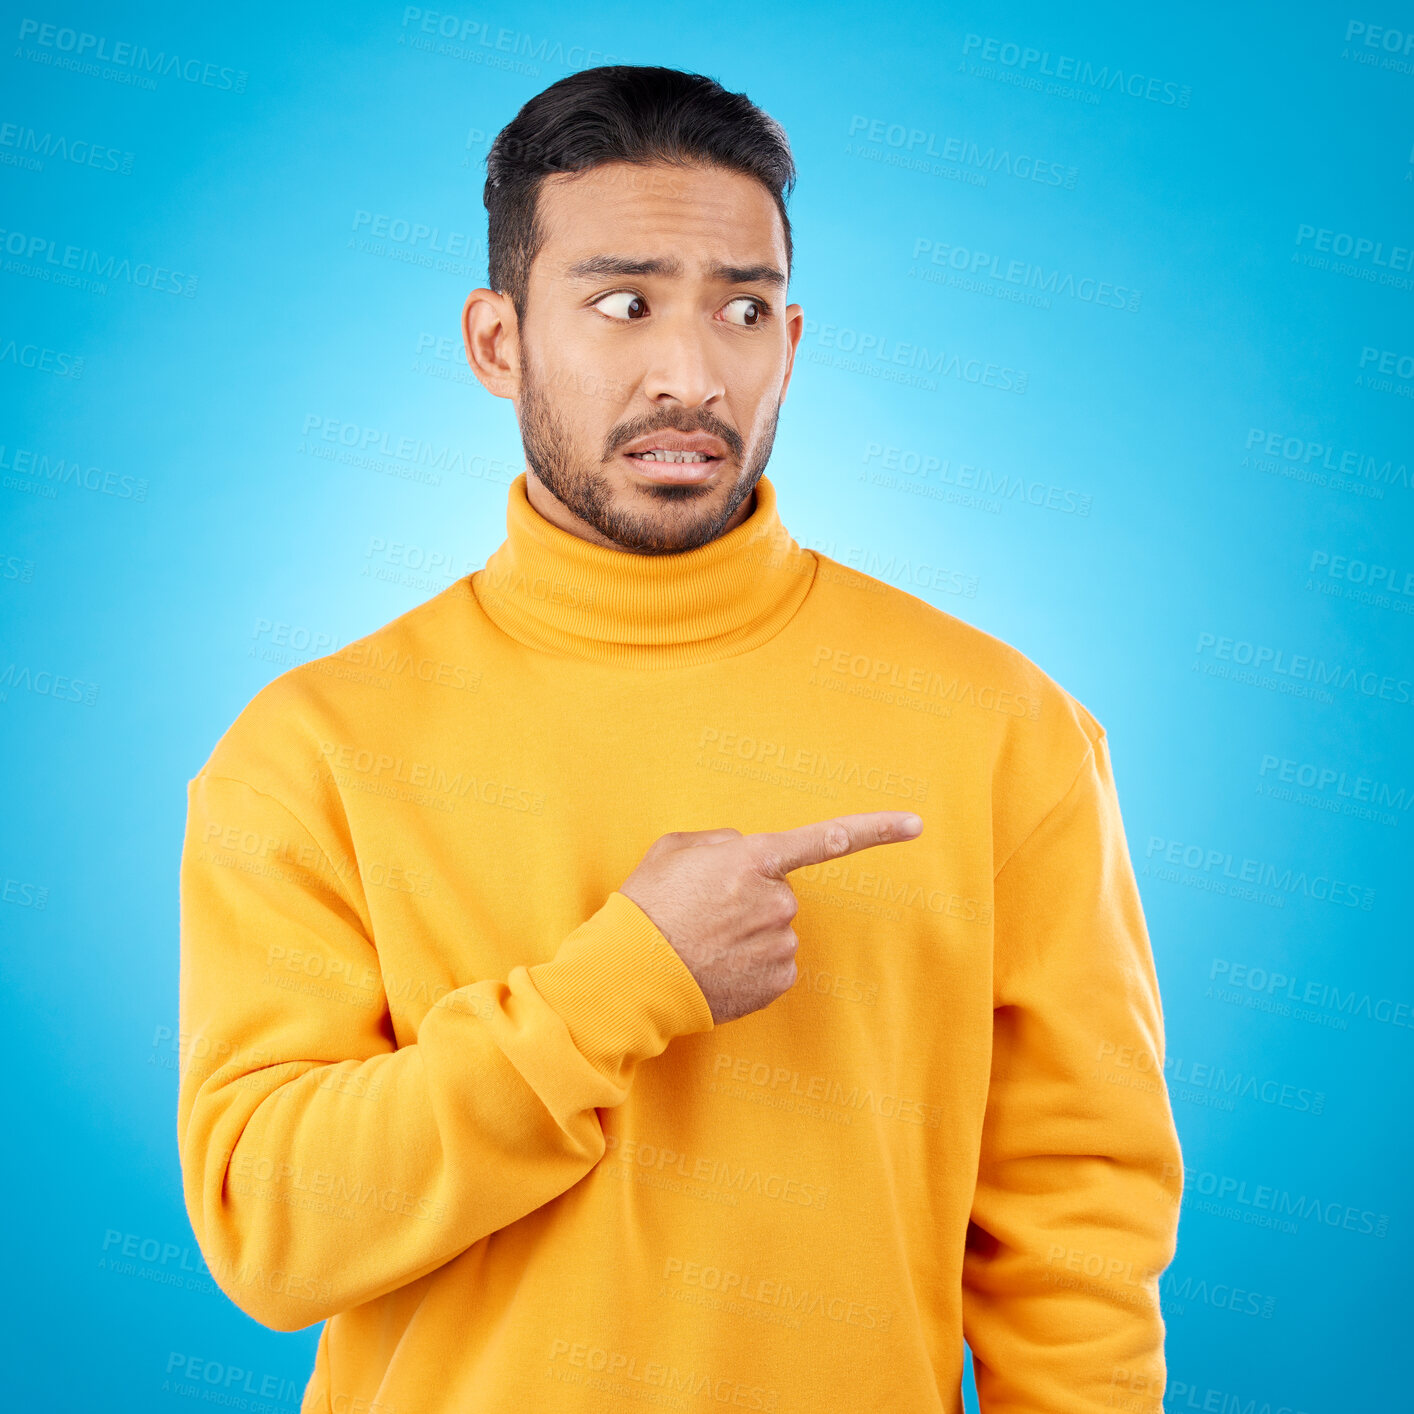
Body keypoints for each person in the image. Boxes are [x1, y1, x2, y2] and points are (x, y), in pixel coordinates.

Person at [177, 64, 1183, 1414]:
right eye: (620, 303)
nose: (688, 372)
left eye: (743, 310)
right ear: (496, 342)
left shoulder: (1000, 724)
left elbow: (1078, 1227)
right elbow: (273, 1229)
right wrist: (622, 983)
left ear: (792, 339)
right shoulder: (313, 749)